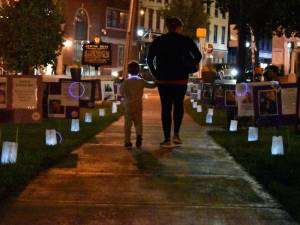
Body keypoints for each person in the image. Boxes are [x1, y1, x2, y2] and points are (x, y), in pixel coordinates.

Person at [147, 16, 202, 147]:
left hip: (164, 80)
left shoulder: (159, 41)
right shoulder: (185, 40)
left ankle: (166, 139)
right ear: (179, 27)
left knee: (165, 108)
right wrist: (189, 66)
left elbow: (149, 59)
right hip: (180, 79)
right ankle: (176, 135)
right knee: (178, 106)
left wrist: (156, 74)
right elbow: (198, 56)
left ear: (168, 27)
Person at [120, 61, 156, 148]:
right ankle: (139, 135)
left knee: (127, 125)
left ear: (128, 71)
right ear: (138, 70)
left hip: (128, 106)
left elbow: (121, 92)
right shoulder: (141, 81)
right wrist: (156, 80)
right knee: (138, 123)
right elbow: (152, 86)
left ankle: (127, 142)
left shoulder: (126, 82)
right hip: (138, 106)